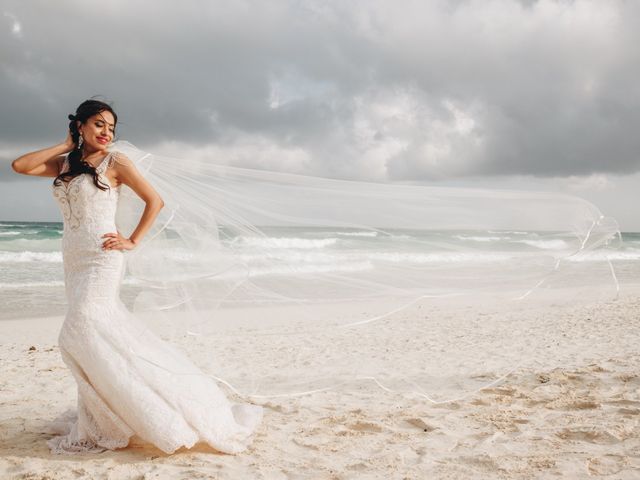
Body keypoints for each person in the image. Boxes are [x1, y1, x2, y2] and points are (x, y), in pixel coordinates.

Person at [11, 99, 263, 455]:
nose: (106, 132)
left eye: (111, 127)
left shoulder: (117, 162)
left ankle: (152, 406)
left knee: (78, 329)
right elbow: (20, 165)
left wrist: (132, 240)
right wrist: (66, 145)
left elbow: (154, 201)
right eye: (99, 124)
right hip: (73, 258)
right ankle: (112, 412)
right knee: (102, 335)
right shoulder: (64, 164)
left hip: (103, 257)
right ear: (79, 126)